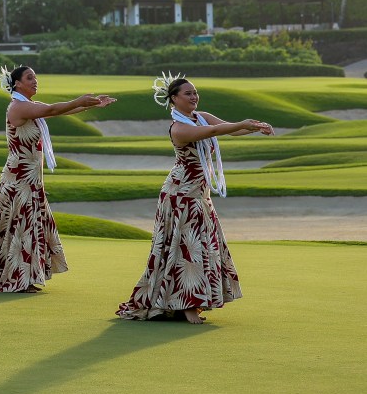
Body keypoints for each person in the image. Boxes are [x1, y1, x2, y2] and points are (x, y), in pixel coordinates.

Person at [117, 73, 273, 324]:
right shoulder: (179, 128)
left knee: (202, 245)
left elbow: (229, 130)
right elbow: (213, 130)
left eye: (195, 92)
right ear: (174, 99)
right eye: (188, 93)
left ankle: (195, 300)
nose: (194, 97)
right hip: (180, 194)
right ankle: (187, 304)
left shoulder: (200, 116)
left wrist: (254, 126)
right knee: (185, 247)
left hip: (200, 194)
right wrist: (243, 123)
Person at [0, 66, 115, 292]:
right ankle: (14, 277)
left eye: (36, 77)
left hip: (31, 179)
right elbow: (54, 109)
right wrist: (78, 100)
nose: (35, 81)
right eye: (30, 78)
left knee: (27, 225)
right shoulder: (18, 107)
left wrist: (91, 104)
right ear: (17, 83)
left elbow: (56, 112)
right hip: (18, 179)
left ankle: (23, 276)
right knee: (17, 227)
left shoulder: (29, 106)